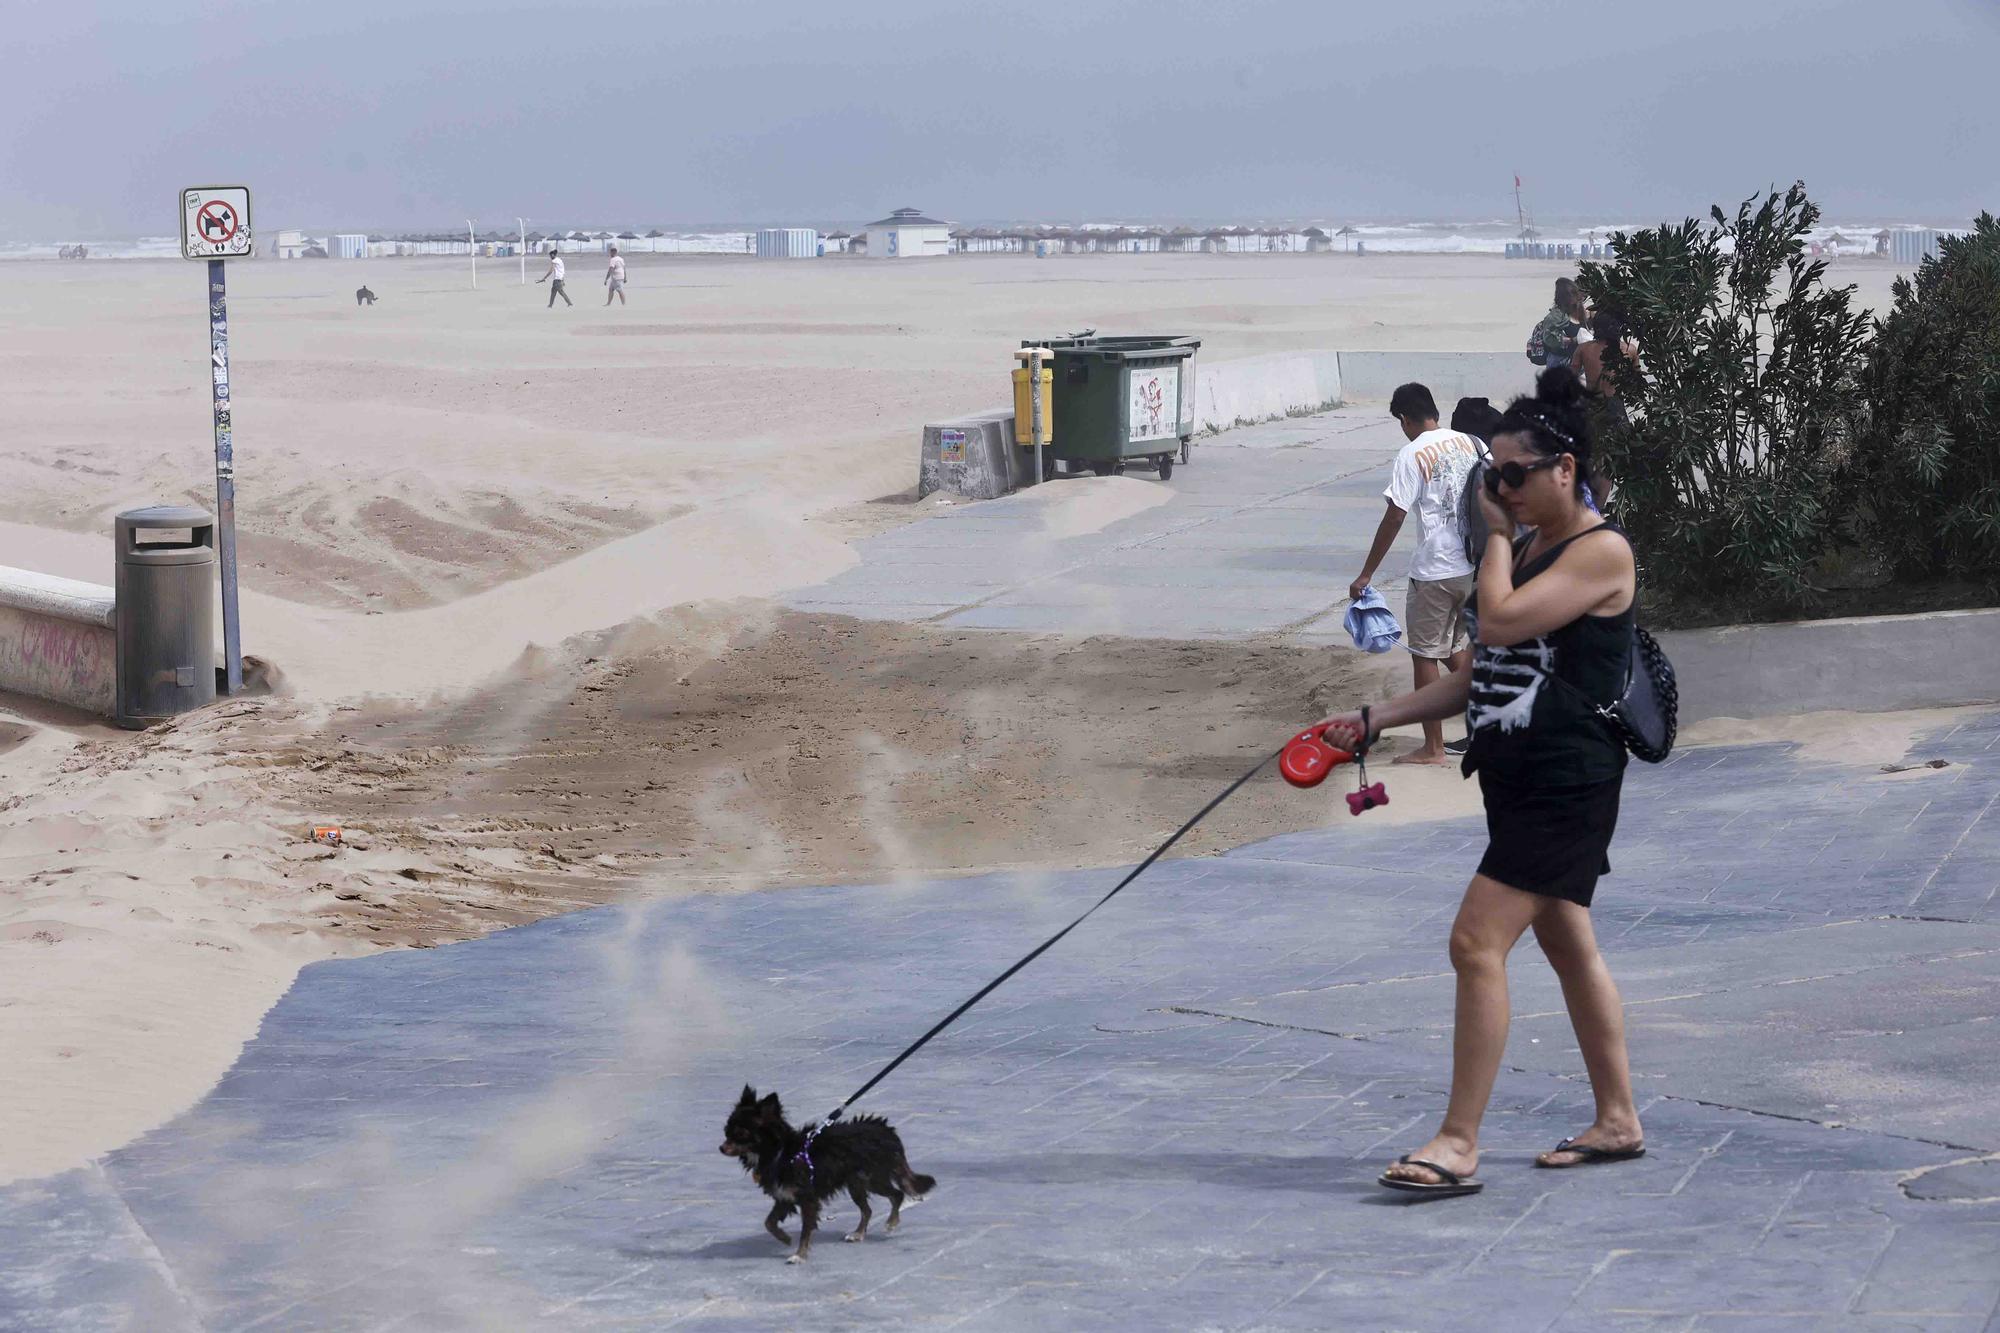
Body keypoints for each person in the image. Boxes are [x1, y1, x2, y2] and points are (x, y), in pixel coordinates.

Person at [1321, 366, 1645, 1198]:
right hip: (1522, 778)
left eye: (1512, 475)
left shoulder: (1600, 551)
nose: (1496, 489)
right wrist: (1375, 718)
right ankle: (1618, 1118)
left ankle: (1458, 1141)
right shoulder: (1535, 545)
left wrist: (1495, 533)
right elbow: (1478, 667)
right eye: (1490, 476)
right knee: (1568, 943)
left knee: (1474, 941)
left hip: (1568, 784)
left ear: (1563, 469)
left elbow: (1497, 618)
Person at [1348, 383, 1481, 765]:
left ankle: (1434, 748)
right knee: (1456, 651)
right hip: (1473, 565)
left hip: (1436, 571)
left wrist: (1366, 574)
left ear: (1405, 419)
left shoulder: (1411, 453)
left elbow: (1395, 515)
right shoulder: (1471, 442)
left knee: (1424, 655)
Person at [1526, 278, 1585, 371]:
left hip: (1575, 361)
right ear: (1567, 297)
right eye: (1574, 294)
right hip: (1560, 361)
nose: (1578, 297)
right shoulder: (1556, 316)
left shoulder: (1577, 312)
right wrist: (1572, 340)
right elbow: (1550, 339)